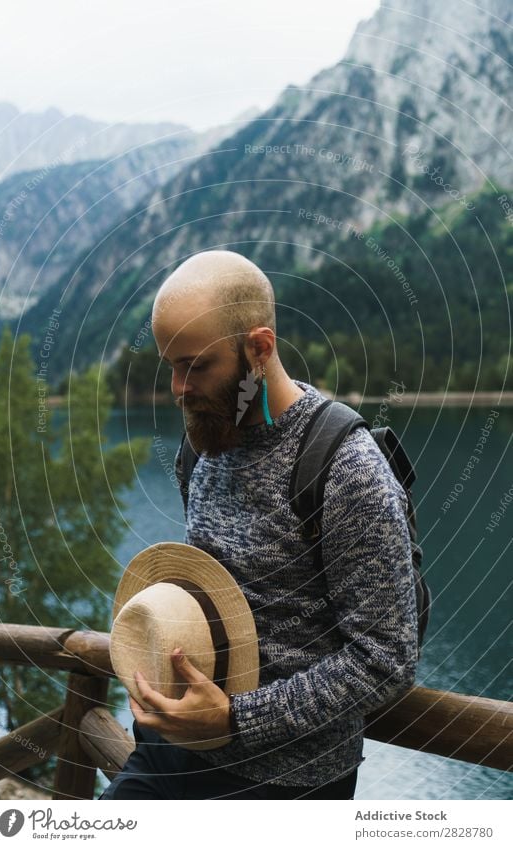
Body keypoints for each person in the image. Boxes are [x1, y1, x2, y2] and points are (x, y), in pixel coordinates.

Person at [99, 249, 419, 800]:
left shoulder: (345, 469)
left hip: (286, 787)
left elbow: (386, 658)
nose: (178, 388)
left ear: (259, 348)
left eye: (195, 366)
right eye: (170, 365)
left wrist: (234, 720)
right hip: (169, 752)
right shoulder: (202, 441)